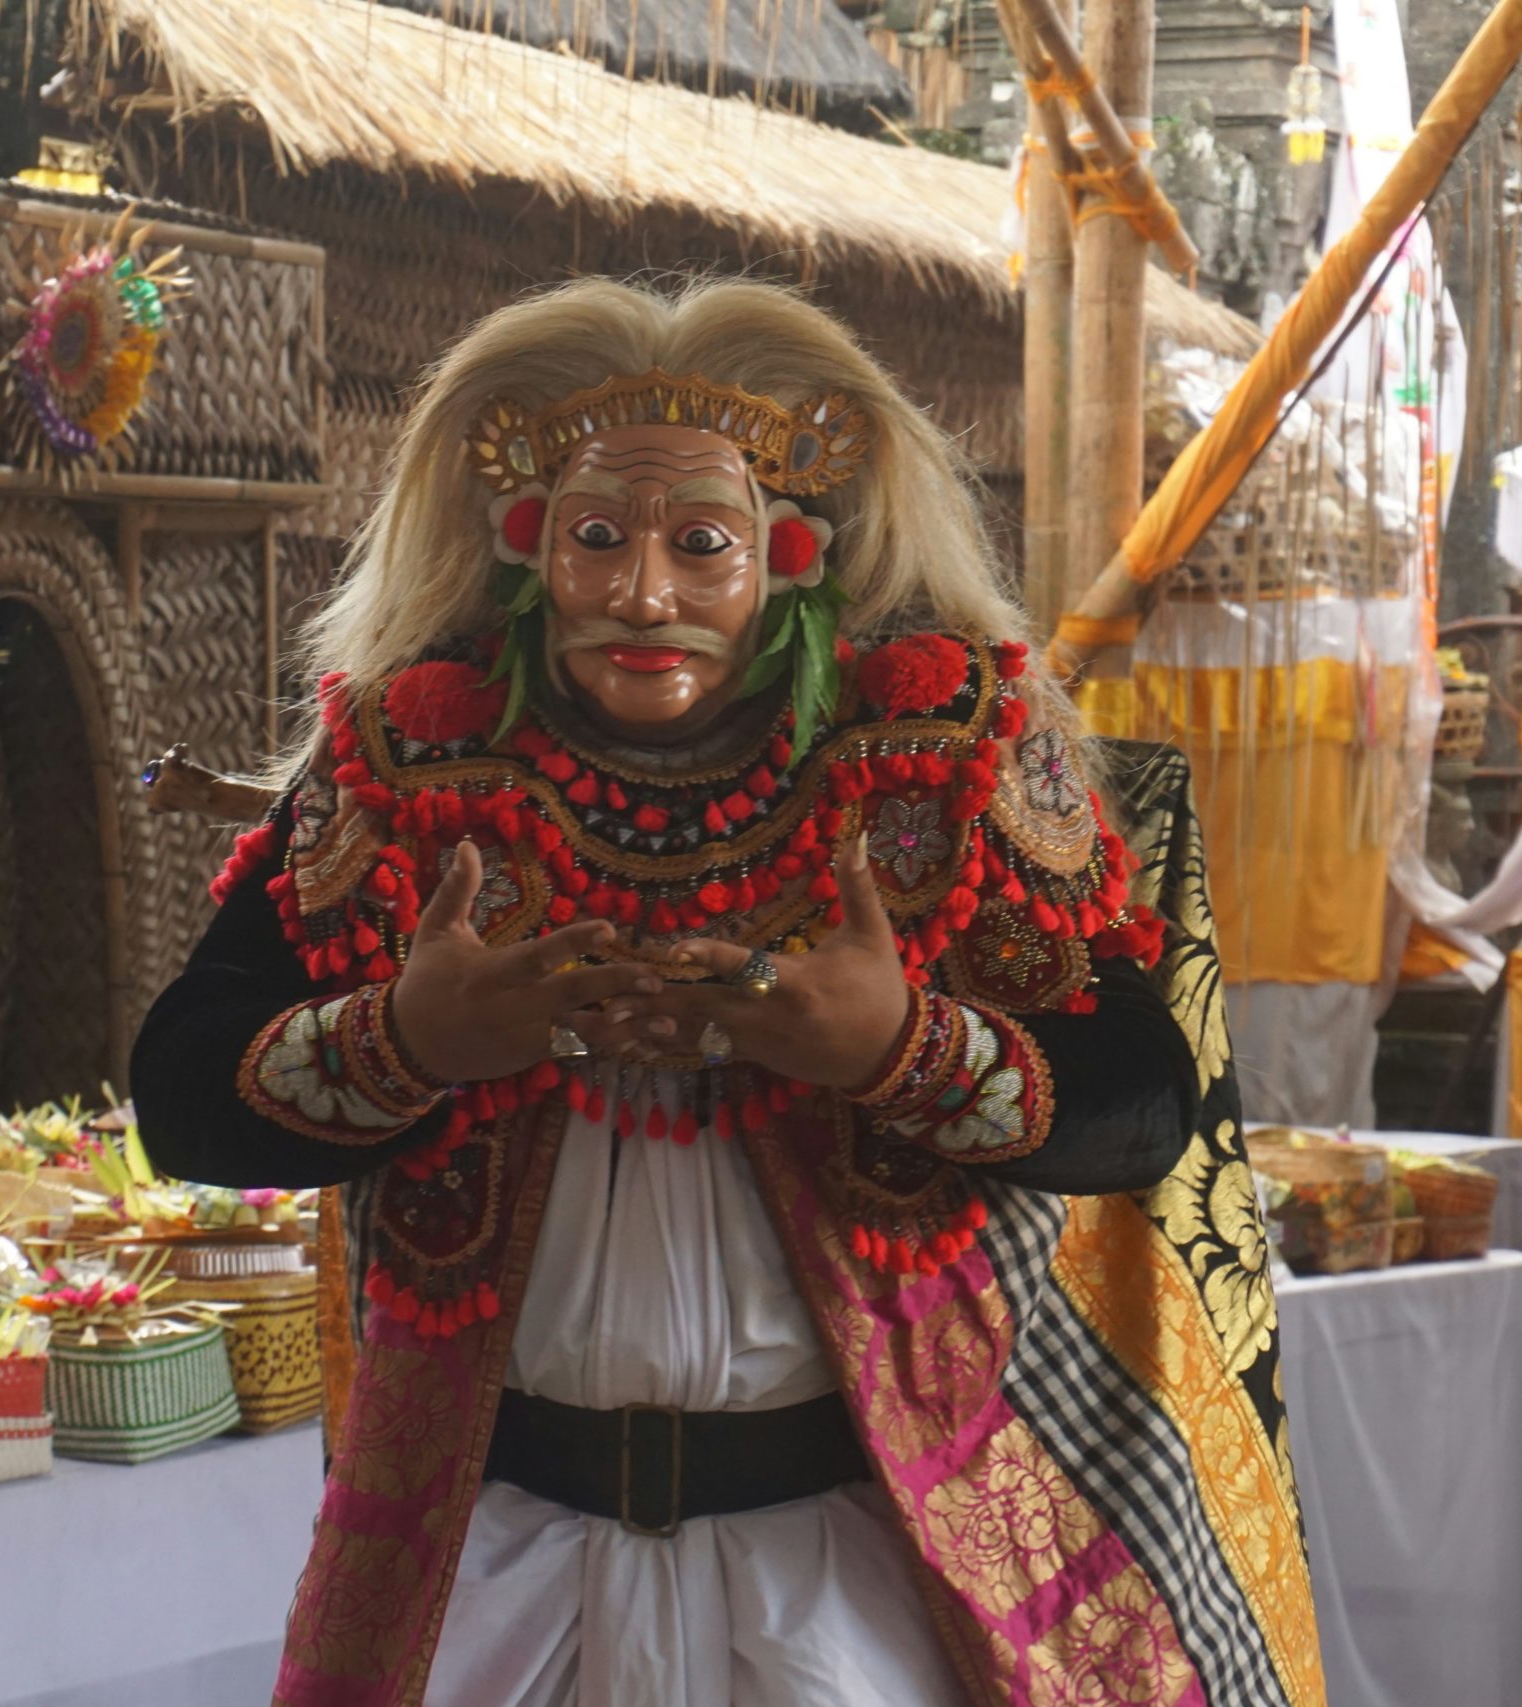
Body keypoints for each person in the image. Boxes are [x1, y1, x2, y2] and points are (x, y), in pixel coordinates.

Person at [132, 279, 1321, 1706]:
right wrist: (407, 1039)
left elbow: (1143, 1102)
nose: (644, 595)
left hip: (857, 1563)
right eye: (596, 540)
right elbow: (184, 1093)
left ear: (797, 551)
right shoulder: (408, 767)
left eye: (700, 544)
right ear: (524, 546)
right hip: (489, 1562)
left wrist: (902, 1043)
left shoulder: (939, 756)